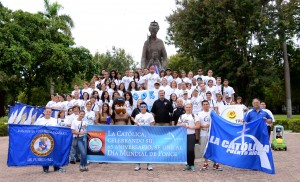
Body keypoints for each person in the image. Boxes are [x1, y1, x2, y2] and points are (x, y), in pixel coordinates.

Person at [198, 100, 222, 171]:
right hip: (203, 132)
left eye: (207, 104)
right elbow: (198, 124)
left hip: (212, 133)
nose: (205, 105)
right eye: (204, 104)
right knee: (204, 148)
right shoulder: (199, 114)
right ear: (202, 105)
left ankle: (216, 163)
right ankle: (206, 163)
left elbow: (217, 122)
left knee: (214, 148)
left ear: (209, 105)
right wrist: (204, 126)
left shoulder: (213, 113)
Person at [34, 108, 60, 173]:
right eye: (47, 112)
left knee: (54, 152)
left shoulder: (54, 120)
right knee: (45, 153)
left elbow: (58, 129)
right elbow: (35, 128)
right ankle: (45, 168)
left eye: (49, 112)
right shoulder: (39, 120)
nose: (48, 113)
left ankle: (56, 167)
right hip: (43, 139)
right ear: (44, 112)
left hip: (53, 138)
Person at [177, 103, 200, 172]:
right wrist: (182, 124)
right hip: (183, 135)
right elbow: (177, 125)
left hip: (191, 134)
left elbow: (198, 126)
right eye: (187, 107)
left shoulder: (194, 116)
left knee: (191, 150)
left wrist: (190, 127)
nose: (188, 108)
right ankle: (188, 164)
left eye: (189, 107)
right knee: (186, 150)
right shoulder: (181, 116)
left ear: (192, 108)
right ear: (185, 108)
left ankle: (192, 164)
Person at [133, 102, 155, 171]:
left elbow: (152, 123)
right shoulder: (137, 115)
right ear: (140, 108)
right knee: (138, 150)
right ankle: (137, 165)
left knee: (148, 149)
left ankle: (149, 164)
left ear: (146, 107)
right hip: (139, 135)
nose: (143, 108)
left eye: (144, 107)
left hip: (147, 134)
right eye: (142, 107)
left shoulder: (149, 115)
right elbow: (135, 125)